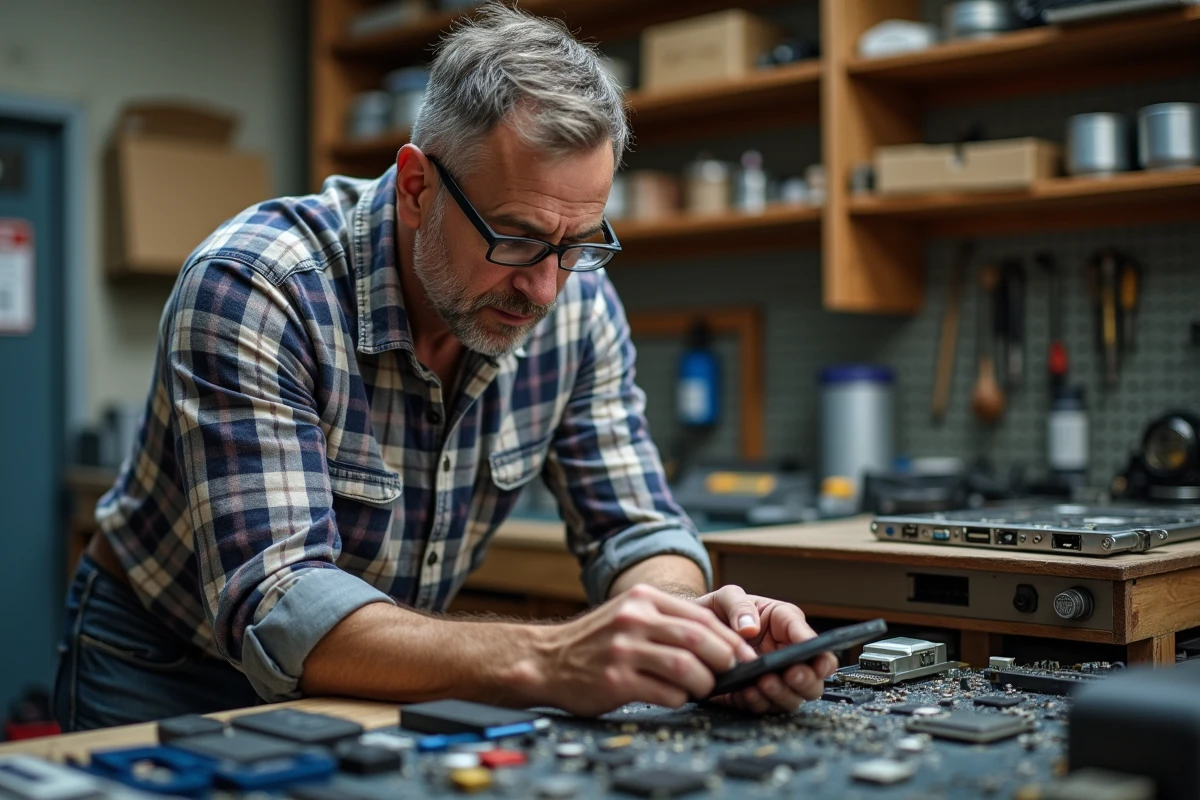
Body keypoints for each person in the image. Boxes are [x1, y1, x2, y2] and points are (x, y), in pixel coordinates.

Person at [53, 3, 836, 732]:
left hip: (384, 663)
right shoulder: (258, 285)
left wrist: (690, 627)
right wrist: (555, 657)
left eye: (578, 245)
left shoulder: (575, 307)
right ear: (418, 188)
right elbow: (282, 604)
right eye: (518, 237)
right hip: (166, 664)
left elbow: (637, 528)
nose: (542, 288)